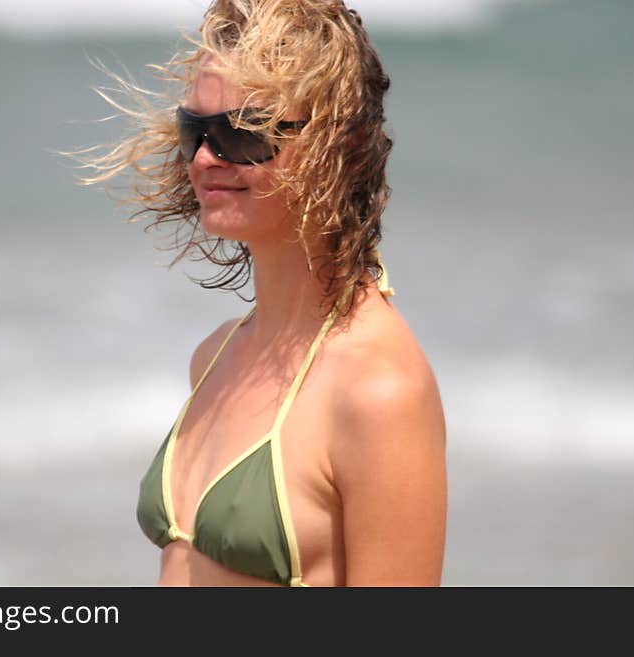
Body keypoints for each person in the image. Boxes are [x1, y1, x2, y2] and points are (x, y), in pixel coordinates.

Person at [76, 0, 446, 586]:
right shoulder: (216, 355)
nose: (203, 157)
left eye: (243, 133)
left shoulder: (378, 391)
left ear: (344, 148)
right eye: (194, 130)